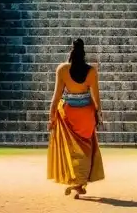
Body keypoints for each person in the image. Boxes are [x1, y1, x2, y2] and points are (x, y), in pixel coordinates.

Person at [46, 38, 106, 198]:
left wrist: (52, 118)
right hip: (86, 115)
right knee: (86, 151)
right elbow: (96, 99)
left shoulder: (62, 70)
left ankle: (76, 181)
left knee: (71, 150)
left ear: (71, 51)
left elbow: (56, 98)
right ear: (84, 52)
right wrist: (99, 115)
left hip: (69, 115)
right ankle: (79, 183)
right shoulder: (91, 71)